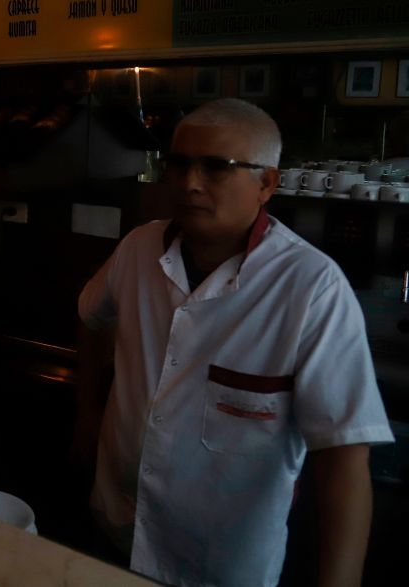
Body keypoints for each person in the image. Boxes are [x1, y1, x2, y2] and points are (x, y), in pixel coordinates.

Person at [75, 98, 393, 587]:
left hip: (219, 562)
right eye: (179, 163)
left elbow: (344, 454)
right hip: (117, 527)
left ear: (267, 183)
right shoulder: (139, 248)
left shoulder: (310, 287)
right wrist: (89, 415)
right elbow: (92, 319)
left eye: (216, 167)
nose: (189, 183)